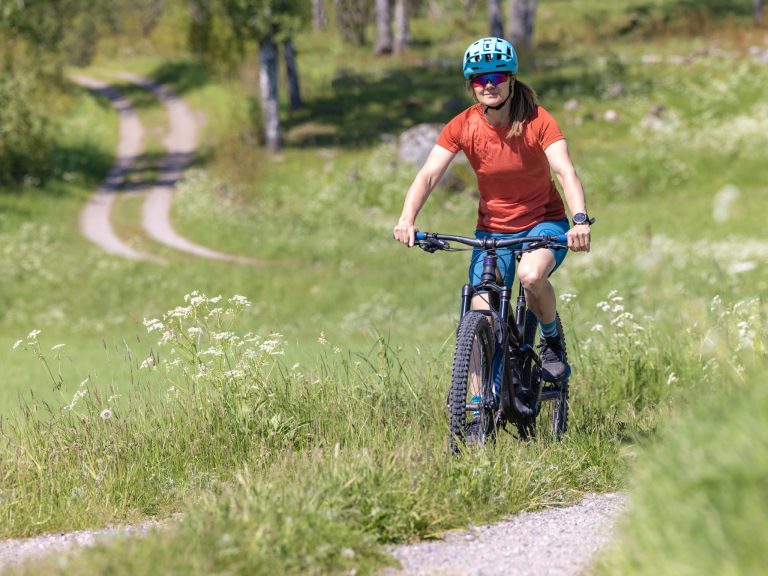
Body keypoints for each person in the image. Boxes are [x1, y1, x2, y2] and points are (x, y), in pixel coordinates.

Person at [393, 36, 592, 383]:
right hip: (493, 231)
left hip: (543, 224)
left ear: (511, 80)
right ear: (471, 85)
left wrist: (578, 221)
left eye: (497, 77)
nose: (489, 85)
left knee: (531, 276)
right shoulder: (463, 125)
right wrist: (407, 219)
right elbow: (428, 175)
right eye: (479, 79)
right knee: (480, 315)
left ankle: (550, 340)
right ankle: (474, 411)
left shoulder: (538, 121)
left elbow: (565, 171)